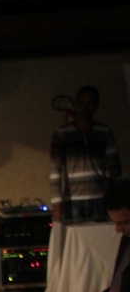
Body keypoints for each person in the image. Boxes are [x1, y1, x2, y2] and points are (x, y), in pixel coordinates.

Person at [49, 86, 121, 224]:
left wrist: (115, 199)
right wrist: (57, 204)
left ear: (96, 106)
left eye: (89, 104)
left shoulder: (104, 132)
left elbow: (114, 167)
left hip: (100, 199)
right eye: (81, 103)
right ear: (76, 104)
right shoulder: (62, 133)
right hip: (72, 201)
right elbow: (55, 170)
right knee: (75, 237)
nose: (84, 108)